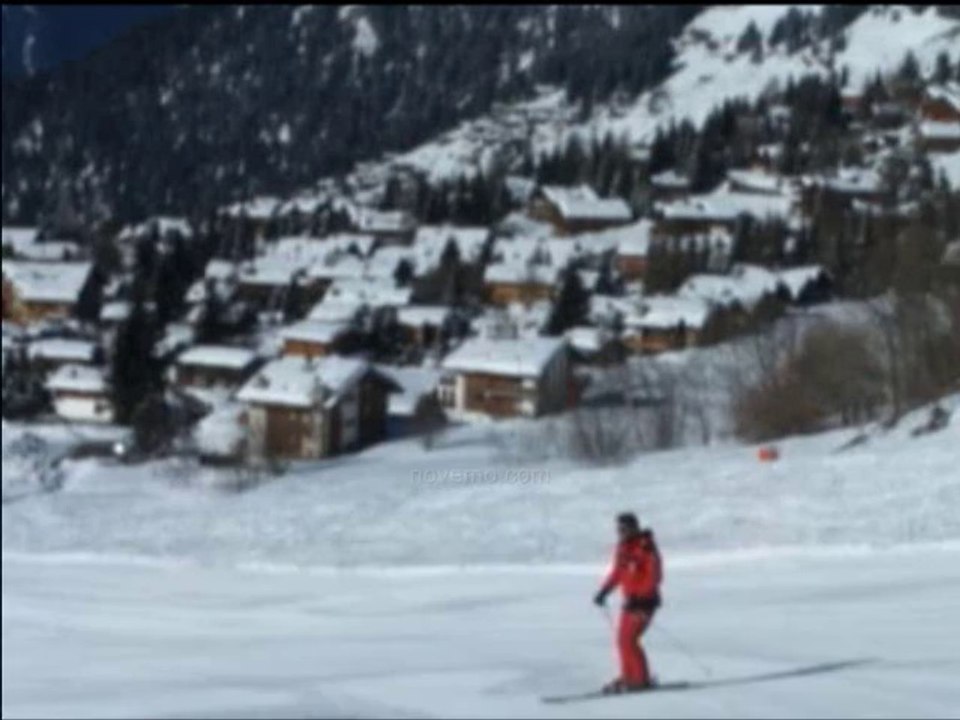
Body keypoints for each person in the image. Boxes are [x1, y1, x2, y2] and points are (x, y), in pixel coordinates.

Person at [593, 511, 663, 693]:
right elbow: (618, 572)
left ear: (634, 527)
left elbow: (654, 576)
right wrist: (604, 591)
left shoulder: (645, 547)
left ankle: (639, 680)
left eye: (624, 528)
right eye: (619, 529)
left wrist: (640, 597)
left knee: (630, 639)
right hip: (630, 602)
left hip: (644, 602)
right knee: (622, 640)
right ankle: (628, 676)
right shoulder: (623, 548)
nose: (621, 532)